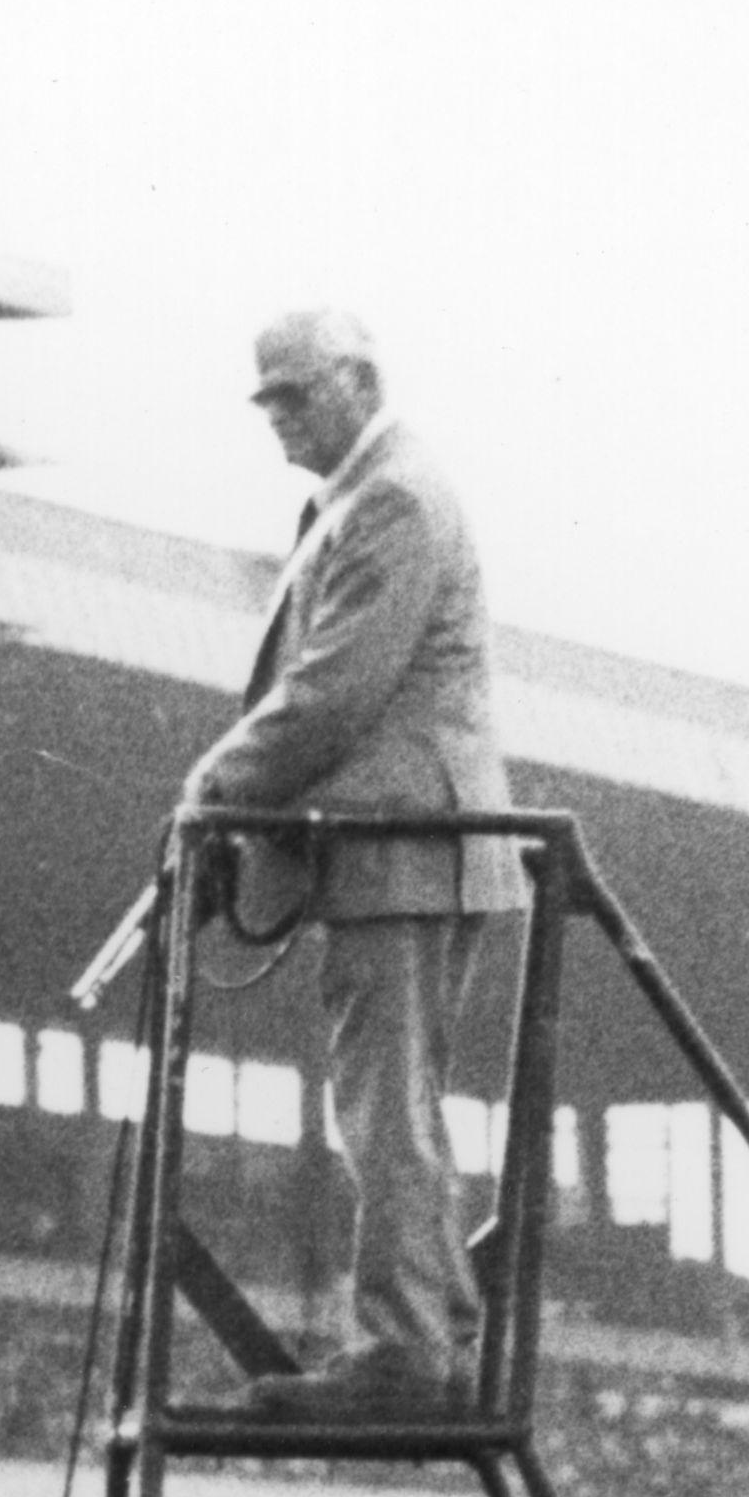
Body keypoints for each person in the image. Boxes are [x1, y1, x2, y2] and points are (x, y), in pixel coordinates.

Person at [178, 308, 525, 1423]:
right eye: (265, 400)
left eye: (291, 395)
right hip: (392, 849)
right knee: (392, 1105)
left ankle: (408, 1349)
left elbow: (332, 689)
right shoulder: (364, 499)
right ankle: (419, 1338)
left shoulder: (392, 498)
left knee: (384, 1109)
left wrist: (212, 789)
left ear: (357, 380)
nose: (275, 420)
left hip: (402, 850)